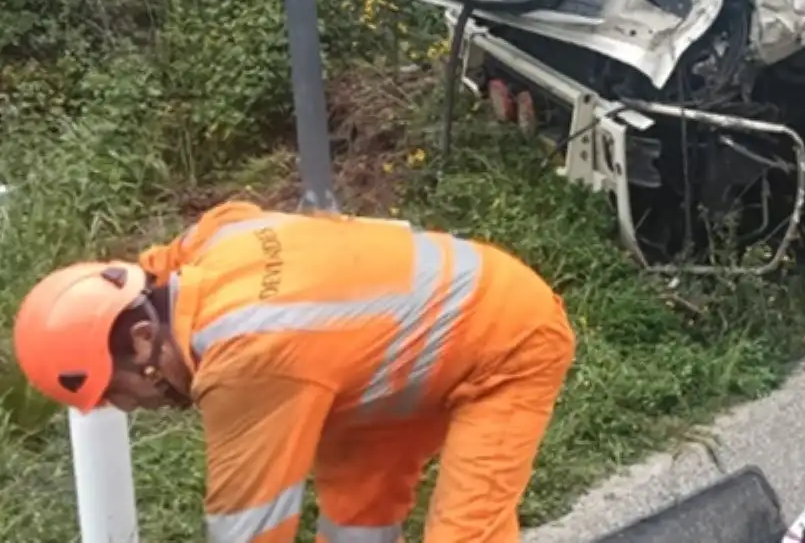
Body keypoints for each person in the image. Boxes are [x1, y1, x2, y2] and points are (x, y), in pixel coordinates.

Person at [12, 201, 575, 543]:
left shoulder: (245, 359)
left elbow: (248, 528)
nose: (134, 407)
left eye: (122, 391)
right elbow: (223, 220)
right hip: (399, 356)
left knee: (464, 535)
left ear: (142, 338)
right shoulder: (211, 252)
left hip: (508, 340)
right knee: (357, 521)